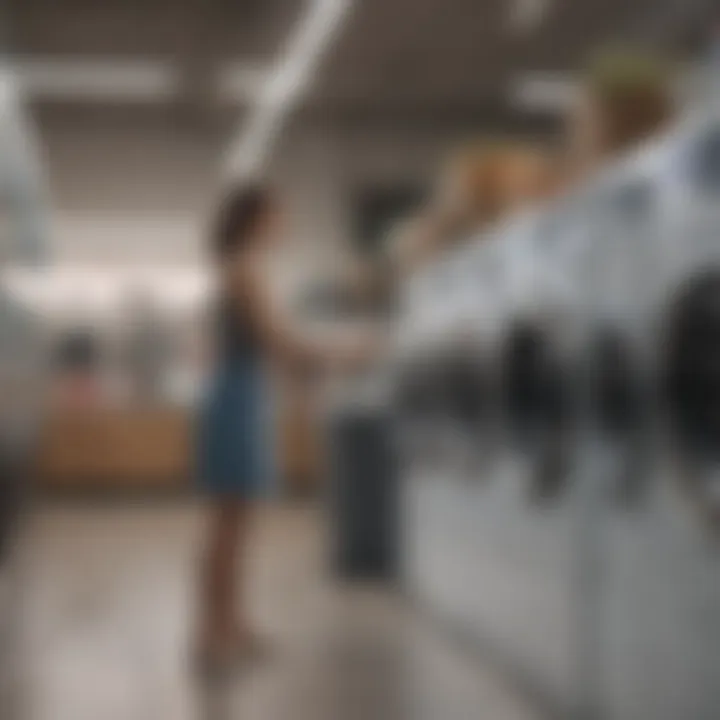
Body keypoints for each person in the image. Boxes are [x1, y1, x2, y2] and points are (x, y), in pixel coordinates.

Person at [195, 183, 371, 672]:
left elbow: (274, 349)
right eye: (278, 215)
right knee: (228, 526)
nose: (284, 225)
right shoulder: (246, 268)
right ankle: (211, 634)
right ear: (257, 218)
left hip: (243, 395)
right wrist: (346, 354)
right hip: (237, 399)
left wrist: (310, 374)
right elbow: (280, 343)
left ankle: (232, 624)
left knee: (237, 524)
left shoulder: (242, 268)